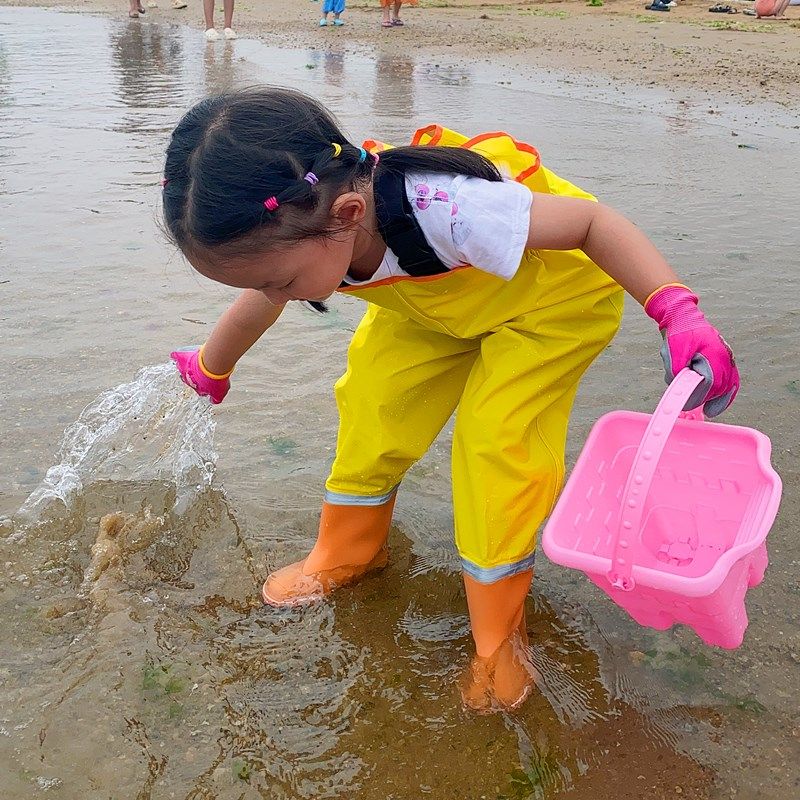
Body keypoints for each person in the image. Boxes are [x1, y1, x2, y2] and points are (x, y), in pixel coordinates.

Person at [162, 88, 739, 712]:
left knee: (497, 444)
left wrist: (675, 309)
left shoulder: (449, 210)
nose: (279, 294)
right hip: (438, 308)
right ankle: (347, 549)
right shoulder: (308, 227)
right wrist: (213, 367)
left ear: (350, 214)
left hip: (549, 306)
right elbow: (261, 295)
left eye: (281, 281)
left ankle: (499, 636)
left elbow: (597, 225)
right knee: (373, 402)